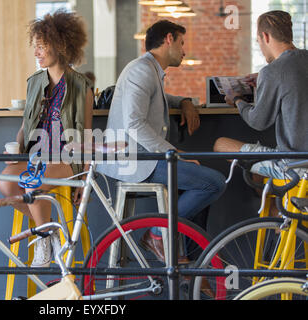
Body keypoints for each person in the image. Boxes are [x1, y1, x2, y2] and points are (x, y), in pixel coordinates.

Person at [98, 20, 226, 263]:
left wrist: (184, 101)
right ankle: (157, 234)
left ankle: (196, 266)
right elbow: (134, 123)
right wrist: (173, 152)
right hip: (135, 161)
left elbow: (158, 97)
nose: (184, 50)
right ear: (169, 39)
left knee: (201, 183)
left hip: (142, 157)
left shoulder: (148, 71)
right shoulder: (141, 70)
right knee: (213, 183)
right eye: (181, 43)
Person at [0, 10, 93, 268]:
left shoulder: (81, 86)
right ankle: (50, 231)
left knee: (33, 182)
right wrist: (16, 146)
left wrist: (84, 178)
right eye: (36, 47)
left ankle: (42, 238)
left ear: (61, 46)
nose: (37, 52)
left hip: (66, 161)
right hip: (37, 157)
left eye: (42, 46)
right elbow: (25, 125)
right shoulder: (34, 82)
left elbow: (85, 136)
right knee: (6, 184)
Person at [214, 10, 308, 181]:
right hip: (302, 161)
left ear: (265, 37)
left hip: (294, 166)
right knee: (259, 168)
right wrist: (264, 79)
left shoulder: (272, 71)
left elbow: (258, 122)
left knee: (221, 145)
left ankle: (277, 204)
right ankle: (276, 207)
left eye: (258, 41)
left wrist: (237, 100)